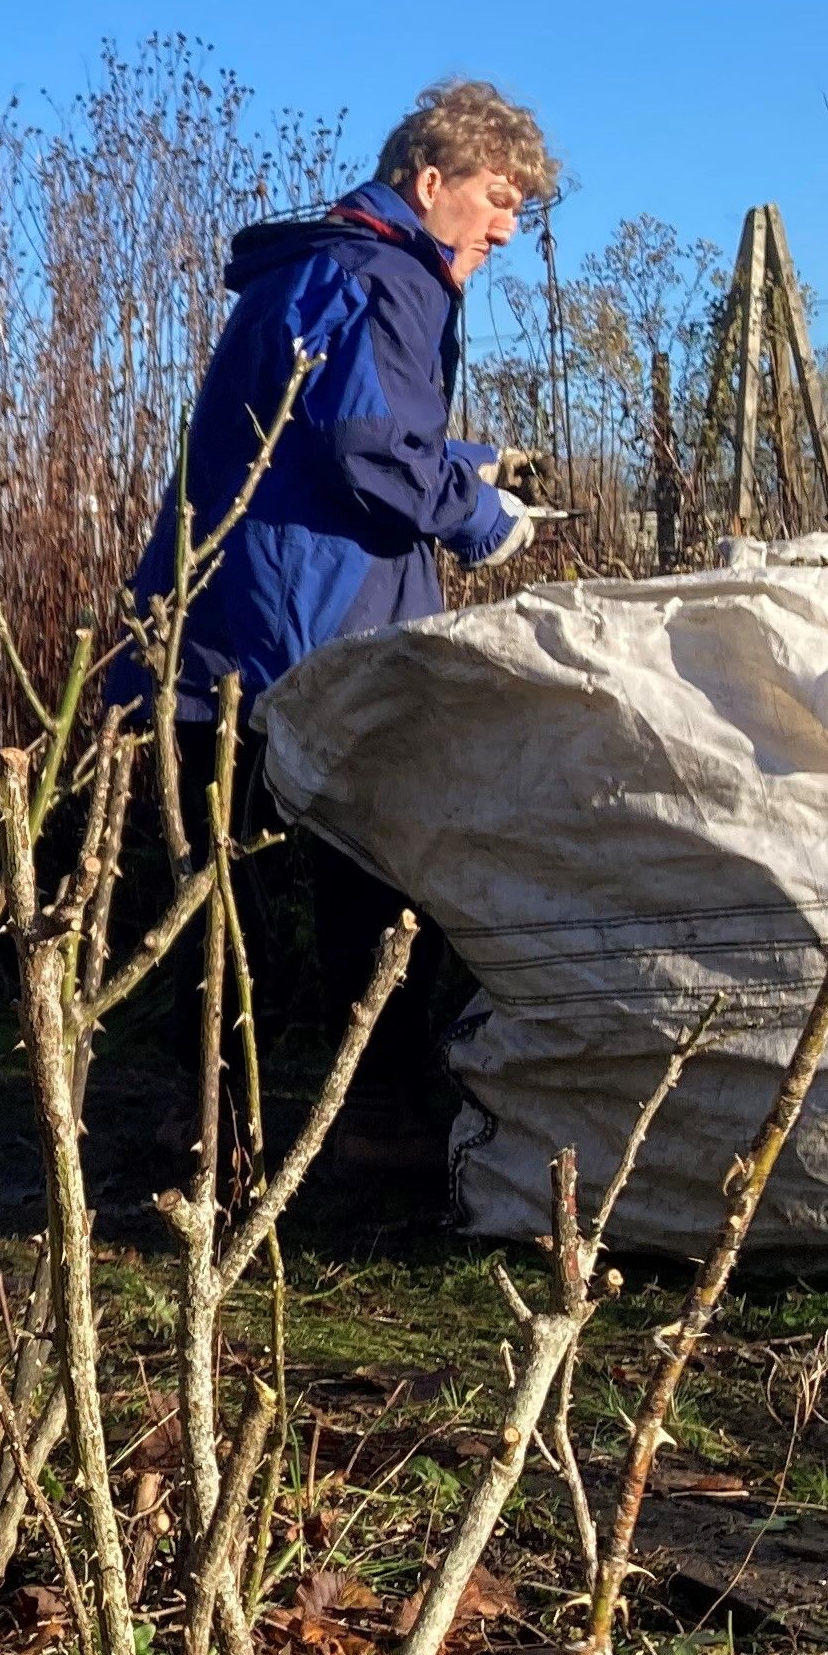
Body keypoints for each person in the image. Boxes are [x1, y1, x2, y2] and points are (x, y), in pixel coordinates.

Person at [119, 79, 558, 1135]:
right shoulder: (388, 275)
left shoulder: (322, 268)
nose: (507, 227)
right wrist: (479, 518)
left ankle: (215, 1135)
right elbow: (371, 453)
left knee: (218, 896)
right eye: (497, 199)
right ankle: (386, 1124)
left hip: (214, 633)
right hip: (311, 644)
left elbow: (316, 432)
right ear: (430, 182)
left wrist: (470, 458)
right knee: (384, 878)